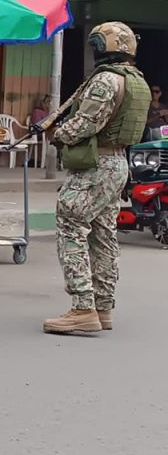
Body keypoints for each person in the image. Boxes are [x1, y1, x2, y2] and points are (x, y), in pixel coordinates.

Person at [39, 22, 149, 334]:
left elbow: (86, 123)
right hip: (117, 164)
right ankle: (103, 308)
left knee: (71, 225)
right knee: (104, 235)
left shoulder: (106, 80)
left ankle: (82, 307)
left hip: (95, 166)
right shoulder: (136, 80)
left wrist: (57, 133)